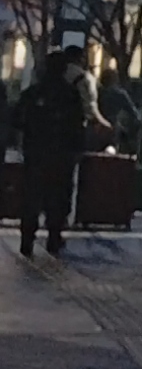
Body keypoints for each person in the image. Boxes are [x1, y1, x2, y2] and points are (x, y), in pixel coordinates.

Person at [13, 47, 90, 259]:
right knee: (58, 196)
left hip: (36, 154)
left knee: (32, 197)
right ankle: (54, 237)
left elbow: (17, 120)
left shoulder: (33, 93)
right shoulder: (70, 95)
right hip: (61, 157)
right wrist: (77, 150)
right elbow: (78, 126)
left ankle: (27, 238)